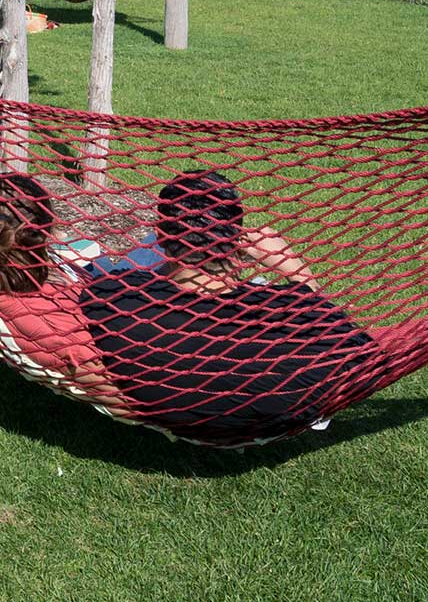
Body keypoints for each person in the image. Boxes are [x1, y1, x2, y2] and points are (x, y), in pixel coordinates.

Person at [72, 169, 379, 444]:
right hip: (241, 406)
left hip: (162, 362)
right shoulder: (281, 313)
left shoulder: (113, 295)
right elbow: (356, 349)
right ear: (236, 242)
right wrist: (299, 274)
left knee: (107, 263)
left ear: (162, 237)